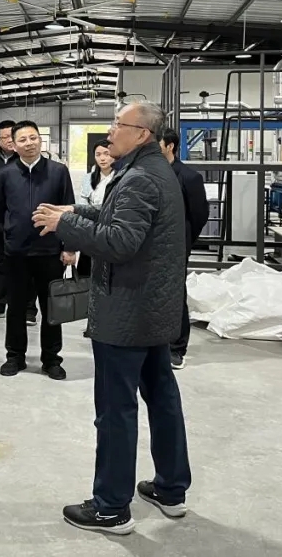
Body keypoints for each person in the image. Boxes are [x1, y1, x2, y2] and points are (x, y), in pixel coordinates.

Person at [33, 101, 191, 536]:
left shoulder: (139, 177)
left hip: (126, 313)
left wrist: (65, 227)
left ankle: (110, 508)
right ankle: (171, 489)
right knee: (162, 398)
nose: (110, 132)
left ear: (142, 134)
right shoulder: (153, 170)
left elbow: (120, 242)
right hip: (152, 311)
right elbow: (119, 219)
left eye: (118, 124)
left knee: (115, 410)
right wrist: (73, 212)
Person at [0, 121, 75, 380]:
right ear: (13, 145)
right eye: (23, 140)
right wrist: (9, 238)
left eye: (33, 138)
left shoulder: (58, 172)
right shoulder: (5, 174)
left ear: (40, 140)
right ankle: (15, 356)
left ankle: (51, 359)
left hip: (49, 252)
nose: (29, 143)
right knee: (16, 307)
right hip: (16, 253)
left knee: (51, 308)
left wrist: (69, 247)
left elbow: (69, 211)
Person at [159, 127, 209, 369]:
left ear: (170, 146)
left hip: (176, 247)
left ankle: (177, 348)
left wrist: (184, 240)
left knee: (175, 295)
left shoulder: (189, 177)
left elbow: (199, 215)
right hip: (150, 247)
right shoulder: (149, 173)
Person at [0, 120, 35, 324]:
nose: (9, 141)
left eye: (12, 136)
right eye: (5, 137)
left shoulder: (26, 161)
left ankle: (28, 308)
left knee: (25, 265)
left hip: (19, 223)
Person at [75, 143, 115, 281]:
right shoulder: (89, 178)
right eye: (98, 155)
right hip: (91, 230)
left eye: (106, 154)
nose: (102, 158)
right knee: (86, 272)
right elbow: (82, 204)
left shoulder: (121, 177)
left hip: (111, 230)